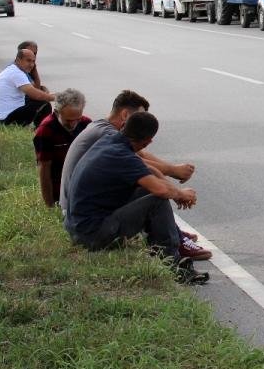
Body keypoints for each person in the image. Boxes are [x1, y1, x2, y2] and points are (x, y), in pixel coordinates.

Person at [61, 89, 210, 261]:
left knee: (146, 190)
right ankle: (172, 260)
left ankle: (170, 241)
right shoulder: (121, 155)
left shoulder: (111, 141)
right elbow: (160, 190)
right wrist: (181, 193)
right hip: (91, 235)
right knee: (157, 200)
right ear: (148, 141)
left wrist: (176, 193)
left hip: (78, 226)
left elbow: (149, 171)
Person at [33, 88, 91, 207]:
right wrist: (50, 205)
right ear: (57, 112)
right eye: (68, 120)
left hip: (83, 187)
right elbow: (44, 169)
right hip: (58, 191)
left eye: (77, 119)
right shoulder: (45, 130)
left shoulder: (87, 124)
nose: (73, 124)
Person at [0, 48, 55, 126]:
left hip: (3, 117)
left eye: (33, 61)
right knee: (44, 103)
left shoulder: (14, 70)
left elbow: (35, 90)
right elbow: (35, 94)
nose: (31, 65)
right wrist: (58, 98)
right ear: (18, 60)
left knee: (38, 100)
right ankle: (43, 131)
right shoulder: (16, 73)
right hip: (5, 120)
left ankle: (39, 128)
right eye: (28, 60)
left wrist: (35, 70)